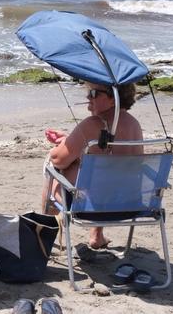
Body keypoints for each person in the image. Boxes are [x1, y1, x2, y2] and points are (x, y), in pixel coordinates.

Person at [44, 82, 143, 249]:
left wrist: (63, 147)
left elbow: (58, 159)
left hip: (91, 208)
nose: (88, 96)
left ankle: (44, 231)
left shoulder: (93, 124)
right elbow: (110, 156)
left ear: (114, 98)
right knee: (100, 168)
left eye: (95, 93)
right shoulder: (134, 124)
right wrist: (70, 140)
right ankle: (96, 235)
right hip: (131, 204)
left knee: (51, 164)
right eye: (89, 92)